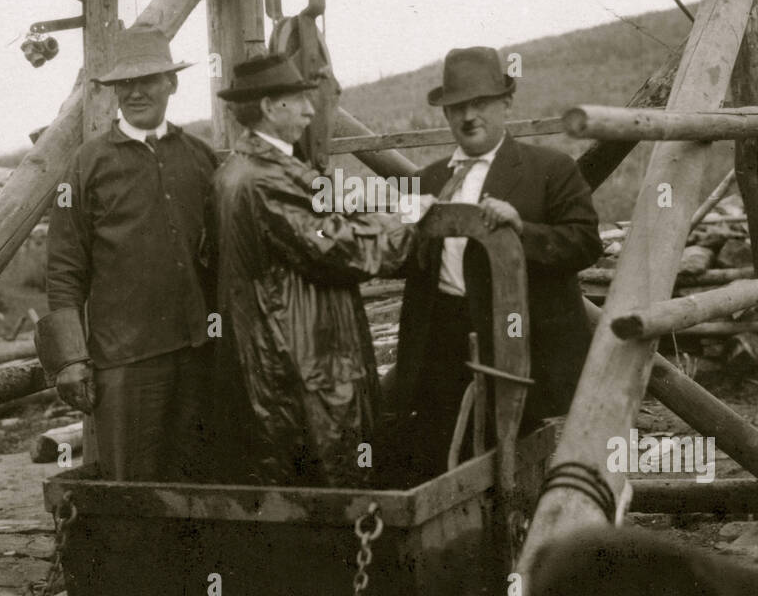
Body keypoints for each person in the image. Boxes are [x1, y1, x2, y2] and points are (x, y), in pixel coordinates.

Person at [210, 53, 424, 488]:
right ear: (270, 107)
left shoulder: (237, 171)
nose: (312, 110)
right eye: (300, 100)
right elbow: (337, 247)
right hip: (302, 356)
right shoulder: (267, 179)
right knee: (331, 482)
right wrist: (419, 230)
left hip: (282, 348)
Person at [394, 45, 602, 481]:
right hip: (442, 340)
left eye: (481, 103)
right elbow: (404, 260)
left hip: (521, 341)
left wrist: (522, 229)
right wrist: (398, 226)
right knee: (444, 458)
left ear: (506, 103)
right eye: (457, 108)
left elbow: (584, 243)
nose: (469, 116)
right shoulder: (427, 180)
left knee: (520, 463)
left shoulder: (550, 169)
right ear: (446, 114)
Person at [36, 27, 219, 482]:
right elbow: (63, 267)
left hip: (198, 352)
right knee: (132, 490)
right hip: (124, 361)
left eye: (150, 80)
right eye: (125, 84)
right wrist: (73, 359)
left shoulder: (198, 156)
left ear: (171, 84)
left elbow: (220, 255)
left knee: (201, 480)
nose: (136, 92)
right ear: (114, 92)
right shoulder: (86, 165)